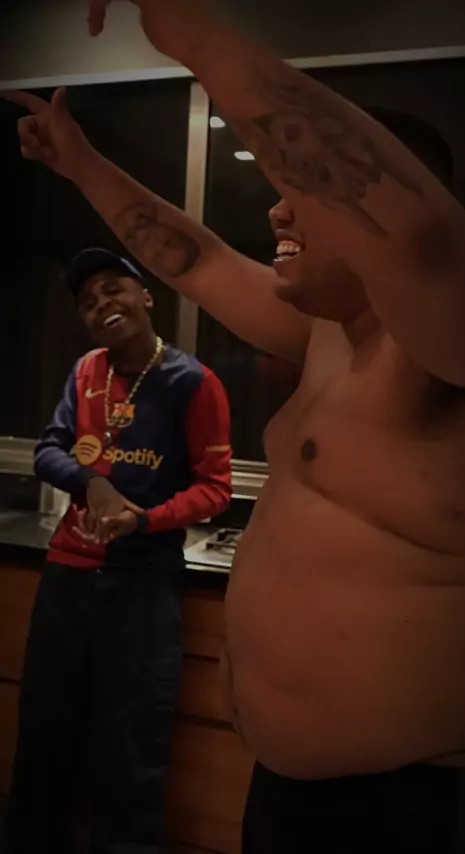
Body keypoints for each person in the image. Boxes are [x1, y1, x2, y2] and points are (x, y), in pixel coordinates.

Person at [4, 0, 465, 849]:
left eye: (300, 193)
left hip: (409, 807)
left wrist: (184, 28)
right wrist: (81, 165)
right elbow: (194, 257)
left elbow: (426, 242)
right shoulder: (330, 336)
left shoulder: (455, 343)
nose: (276, 214)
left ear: (373, 217)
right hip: (290, 796)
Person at [6, 246, 232, 854]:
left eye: (114, 288)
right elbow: (49, 450)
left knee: (131, 753)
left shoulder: (194, 383)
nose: (102, 303)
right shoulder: (87, 372)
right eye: (88, 301)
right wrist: (92, 483)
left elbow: (215, 489)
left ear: (146, 296)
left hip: (143, 586)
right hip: (67, 578)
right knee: (44, 741)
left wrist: (146, 520)